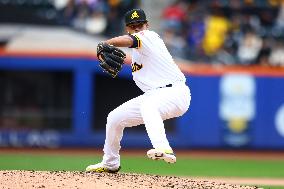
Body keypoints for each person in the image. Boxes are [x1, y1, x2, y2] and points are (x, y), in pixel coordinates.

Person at [86, 8, 191, 173]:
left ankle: (163, 148)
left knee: (149, 106)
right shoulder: (137, 52)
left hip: (175, 92)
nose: (136, 28)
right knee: (114, 118)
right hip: (155, 95)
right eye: (132, 25)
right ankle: (110, 162)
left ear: (146, 25)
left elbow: (131, 40)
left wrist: (106, 43)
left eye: (139, 24)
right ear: (127, 27)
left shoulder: (150, 36)